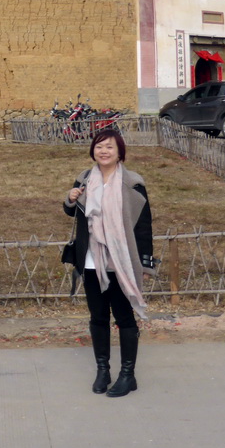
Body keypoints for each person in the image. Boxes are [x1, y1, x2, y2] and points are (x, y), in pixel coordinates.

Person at [63, 129, 155, 398]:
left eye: (109, 148)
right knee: (98, 317)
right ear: (93, 150)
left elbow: (144, 226)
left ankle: (128, 375)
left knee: (124, 317)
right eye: (99, 147)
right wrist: (69, 200)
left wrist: (146, 264)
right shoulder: (84, 179)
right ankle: (103, 370)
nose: (104, 151)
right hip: (91, 260)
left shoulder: (133, 183)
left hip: (122, 260)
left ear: (119, 153)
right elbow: (74, 213)